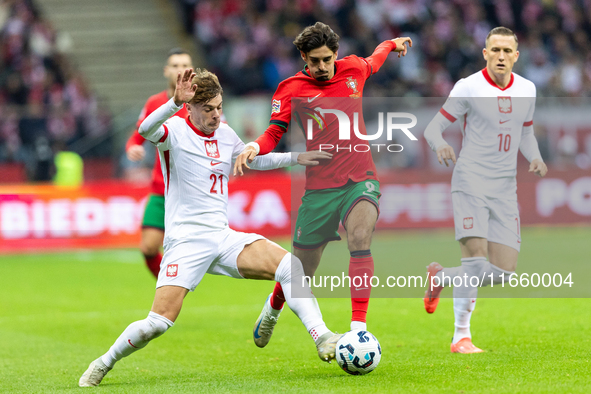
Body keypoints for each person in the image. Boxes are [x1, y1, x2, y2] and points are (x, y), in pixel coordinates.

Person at [79, 68, 338, 387]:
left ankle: (321, 336)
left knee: (290, 267)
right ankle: (104, 362)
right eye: (208, 109)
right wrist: (174, 101)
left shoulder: (226, 133)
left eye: (219, 107)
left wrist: (298, 157)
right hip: (186, 243)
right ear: (190, 107)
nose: (216, 115)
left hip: (223, 237)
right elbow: (146, 129)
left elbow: (253, 160)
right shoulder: (172, 131)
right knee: (157, 324)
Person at [233, 22, 412, 347]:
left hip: (360, 178)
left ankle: (358, 328)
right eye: (314, 61)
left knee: (360, 236)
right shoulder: (290, 88)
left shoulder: (353, 69)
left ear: (336, 54)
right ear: (303, 56)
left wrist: (392, 42)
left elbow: (376, 58)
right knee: (301, 270)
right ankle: (273, 307)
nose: (322, 67)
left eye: (327, 59)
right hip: (319, 189)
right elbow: (274, 132)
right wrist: (254, 147)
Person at [422, 27, 548, 353]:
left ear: (516, 56)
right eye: (495, 50)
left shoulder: (527, 89)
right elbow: (433, 127)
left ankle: (442, 277)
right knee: (475, 264)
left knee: (504, 272)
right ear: (485, 53)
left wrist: (534, 156)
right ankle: (460, 336)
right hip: (470, 181)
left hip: (506, 188)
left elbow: (526, 133)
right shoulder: (469, 86)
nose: (501, 56)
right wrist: (440, 146)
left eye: (507, 51)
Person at [125, 48, 192, 277]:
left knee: (192, 251)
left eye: (185, 65)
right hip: (160, 190)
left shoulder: (203, 103)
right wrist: (133, 147)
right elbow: (136, 137)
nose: (180, 69)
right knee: (149, 247)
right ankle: (170, 284)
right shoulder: (155, 103)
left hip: (190, 194)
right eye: (175, 65)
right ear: (166, 71)